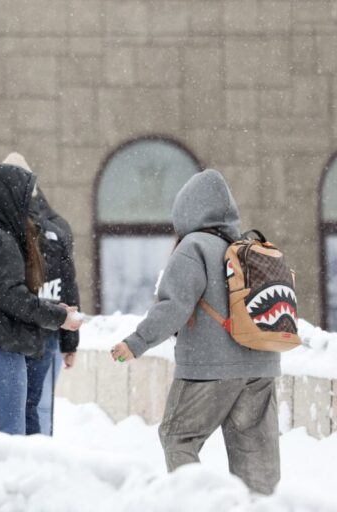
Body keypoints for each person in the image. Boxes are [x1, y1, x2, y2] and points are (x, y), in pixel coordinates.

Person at [110, 169, 280, 495]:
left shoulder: (194, 247)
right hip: (261, 366)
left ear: (185, 211)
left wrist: (136, 343)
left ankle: (195, 503)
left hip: (210, 367)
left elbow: (173, 307)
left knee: (177, 436)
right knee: (255, 458)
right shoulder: (249, 247)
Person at [0, 163, 82, 435]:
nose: (30, 203)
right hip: (2, 346)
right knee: (11, 436)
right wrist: (59, 316)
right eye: (25, 194)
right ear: (10, 195)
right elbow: (11, 297)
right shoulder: (3, 240)